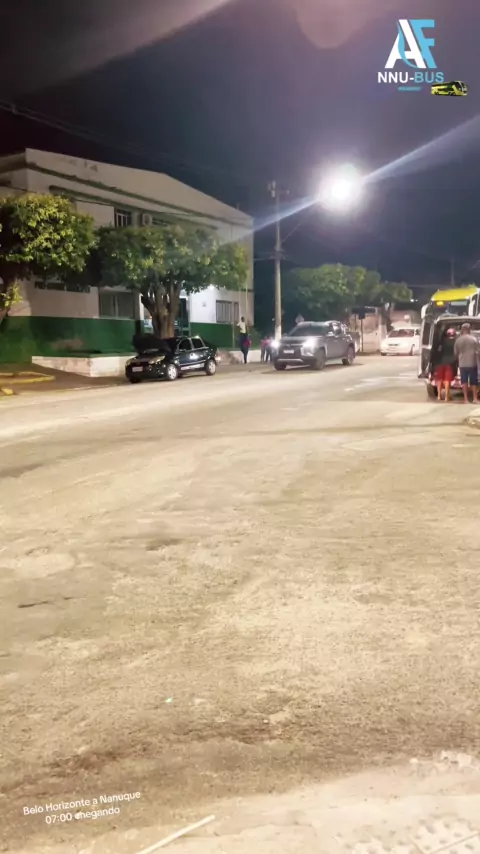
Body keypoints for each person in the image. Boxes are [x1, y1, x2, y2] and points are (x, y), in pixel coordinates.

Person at [454, 322, 479, 404]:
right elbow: (478, 351)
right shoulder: (474, 339)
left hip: (462, 364)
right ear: (469, 330)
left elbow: (455, 353)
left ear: (462, 330)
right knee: (473, 381)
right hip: (472, 363)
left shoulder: (458, 340)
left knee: (464, 381)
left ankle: (465, 399)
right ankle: (475, 399)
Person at [433, 327, 457, 402]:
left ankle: (439, 396)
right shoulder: (455, 342)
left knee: (439, 379)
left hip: (440, 363)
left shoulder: (441, 342)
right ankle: (447, 397)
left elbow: (437, 351)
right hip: (450, 363)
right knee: (447, 380)